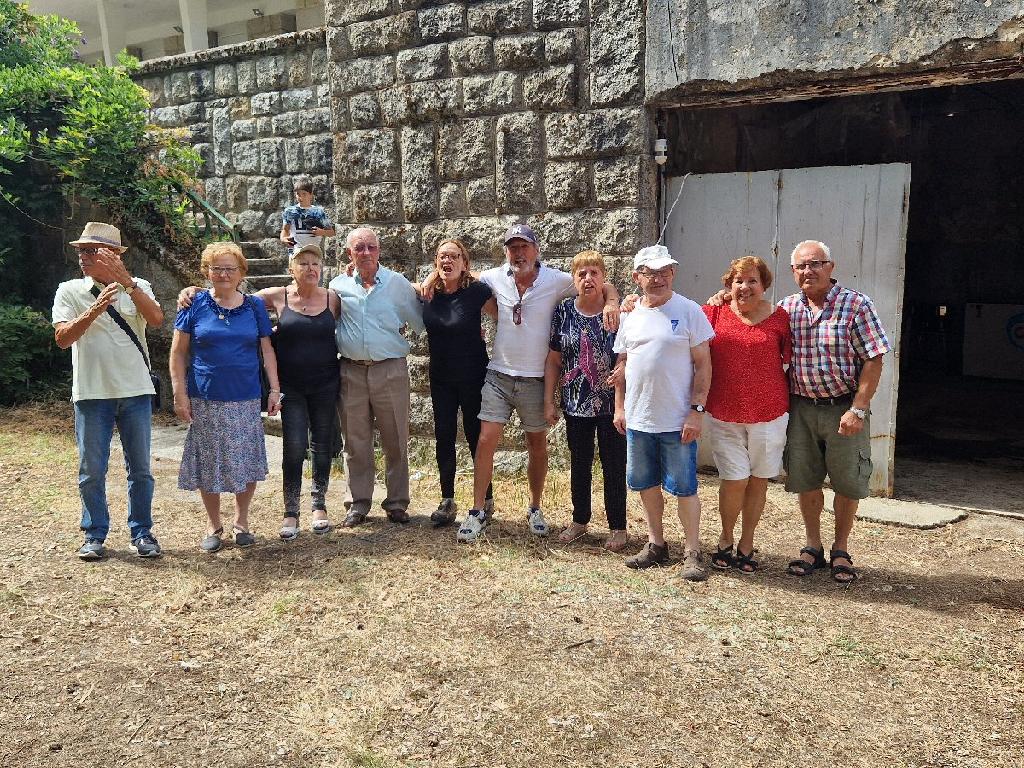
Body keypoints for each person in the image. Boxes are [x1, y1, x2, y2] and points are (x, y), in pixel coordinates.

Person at [452, 223, 619, 543]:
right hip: (499, 375)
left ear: (536, 250)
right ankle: (477, 510)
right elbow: (459, 275)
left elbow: (596, 281)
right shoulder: (494, 277)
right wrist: (429, 281)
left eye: (524, 247)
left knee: (536, 445)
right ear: (506, 252)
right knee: (485, 440)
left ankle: (535, 507)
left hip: (534, 379)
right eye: (512, 248)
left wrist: (611, 300)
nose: (519, 253)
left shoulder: (555, 280)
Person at [52, 222, 165, 560]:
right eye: (81, 250)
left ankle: (142, 533)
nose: (83, 256)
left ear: (113, 255)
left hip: (136, 392)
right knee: (91, 471)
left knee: (140, 470)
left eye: (91, 250)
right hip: (91, 394)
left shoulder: (138, 286)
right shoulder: (69, 290)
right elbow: (63, 339)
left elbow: (157, 319)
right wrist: (94, 310)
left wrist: (127, 283)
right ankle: (94, 534)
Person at [780, 240, 889, 583]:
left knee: (847, 481)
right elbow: (751, 319)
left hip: (844, 408)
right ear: (793, 272)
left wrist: (859, 408)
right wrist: (721, 297)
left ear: (831, 267)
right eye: (801, 266)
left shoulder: (856, 305)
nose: (808, 271)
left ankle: (840, 549)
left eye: (816, 263)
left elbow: (874, 359)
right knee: (805, 478)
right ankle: (812, 546)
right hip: (801, 408)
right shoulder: (786, 309)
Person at [169, 242, 282, 552]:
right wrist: (179, 393)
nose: (223, 274)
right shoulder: (193, 303)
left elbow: (267, 351)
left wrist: (274, 389)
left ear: (241, 272)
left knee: (246, 458)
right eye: (216, 268)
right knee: (209, 461)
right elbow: (178, 353)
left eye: (230, 269)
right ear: (206, 272)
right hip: (205, 397)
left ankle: (242, 521)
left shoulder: (254, 307)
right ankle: (213, 524)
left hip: (245, 396)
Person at [612, 245, 714, 581]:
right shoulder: (629, 315)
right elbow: (623, 363)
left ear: (673, 273)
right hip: (639, 418)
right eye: (650, 272)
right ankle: (657, 544)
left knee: (685, 487)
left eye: (664, 271)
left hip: (677, 419)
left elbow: (703, 365)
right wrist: (620, 407)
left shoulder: (689, 311)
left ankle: (693, 551)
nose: (658, 278)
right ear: (636, 277)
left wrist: (696, 411)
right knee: (645, 483)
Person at [329, 227, 424, 527]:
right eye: (359, 248)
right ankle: (358, 503)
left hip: (390, 369)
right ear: (349, 254)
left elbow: (420, 322)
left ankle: (396, 502)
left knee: (396, 437)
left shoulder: (397, 284)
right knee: (355, 440)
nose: (366, 253)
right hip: (351, 370)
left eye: (371, 247)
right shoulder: (337, 286)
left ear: (379, 250)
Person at [702, 256, 791, 574]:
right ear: (729, 285)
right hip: (724, 411)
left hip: (769, 412)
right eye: (738, 281)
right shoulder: (713, 312)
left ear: (764, 285)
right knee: (734, 478)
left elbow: (790, 359)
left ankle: (746, 543)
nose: (745, 286)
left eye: (753, 280)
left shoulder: (780, 317)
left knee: (759, 478)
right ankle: (725, 537)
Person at [544, 251, 628, 551]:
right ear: (574, 279)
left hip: (611, 405)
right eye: (582, 274)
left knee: (614, 465)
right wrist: (549, 400)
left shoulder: (617, 312)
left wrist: (623, 373)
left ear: (604, 278)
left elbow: (627, 354)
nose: (588, 279)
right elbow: (554, 360)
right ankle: (579, 521)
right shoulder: (564, 311)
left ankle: (618, 527)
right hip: (575, 403)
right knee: (579, 464)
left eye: (594, 273)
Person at [421, 238, 496, 526]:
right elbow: (402, 286)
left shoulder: (476, 292)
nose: (447, 261)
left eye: (454, 256)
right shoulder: (428, 292)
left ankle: (486, 500)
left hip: (473, 375)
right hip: (441, 378)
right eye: (442, 256)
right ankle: (447, 500)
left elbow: (499, 310)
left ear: (465, 262)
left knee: (476, 436)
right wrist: (431, 277)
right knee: (444, 435)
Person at [280, 175, 335, 255]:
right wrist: (283, 239)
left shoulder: (318, 212)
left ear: (311, 194)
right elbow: (285, 230)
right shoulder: (289, 211)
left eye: (304, 194)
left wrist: (321, 232)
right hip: (296, 251)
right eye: (298, 194)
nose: (300, 197)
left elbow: (331, 232)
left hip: (314, 251)